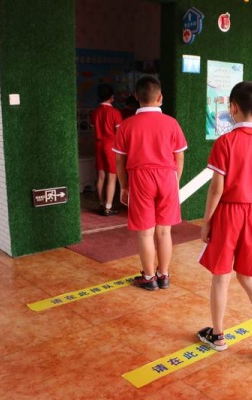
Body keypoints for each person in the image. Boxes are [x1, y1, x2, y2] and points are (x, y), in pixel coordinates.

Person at [197, 81, 252, 358]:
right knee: (248, 276)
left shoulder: (225, 142)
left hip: (228, 214)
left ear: (232, 108)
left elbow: (216, 189)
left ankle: (218, 335)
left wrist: (206, 221)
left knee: (221, 276)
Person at [113, 75, 187, 290]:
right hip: (167, 177)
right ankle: (164, 275)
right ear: (160, 97)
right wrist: (174, 182)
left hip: (140, 178)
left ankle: (149, 278)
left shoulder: (126, 125)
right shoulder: (172, 123)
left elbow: (120, 161)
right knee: (164, 232)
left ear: (136, 96)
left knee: (146, 232)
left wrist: (124, 186)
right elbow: (179, 157)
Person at [90, 84, 123, 216]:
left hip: (98, 144)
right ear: (112, 97)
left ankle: (101, 204)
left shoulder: (94, 112)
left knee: (100, 176)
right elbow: (119, 134)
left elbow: (93, 131)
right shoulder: (115, 113)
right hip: (111, 145)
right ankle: (108, 208)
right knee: (112, 176)